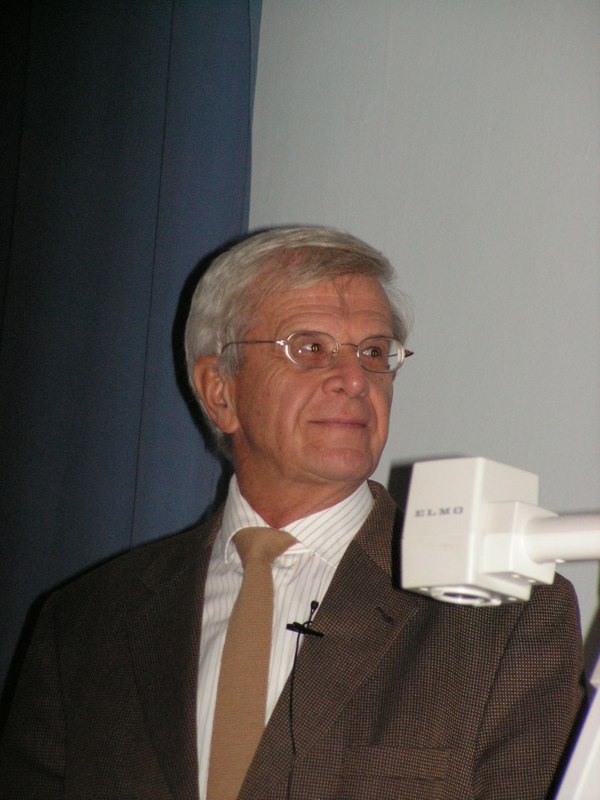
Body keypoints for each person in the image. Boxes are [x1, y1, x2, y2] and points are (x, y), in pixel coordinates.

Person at [0, 227, 586, 799]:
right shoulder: (85, 623)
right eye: (310, 349)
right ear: (220, 391)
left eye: (375, 353)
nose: (354, 379)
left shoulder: (505, 617)